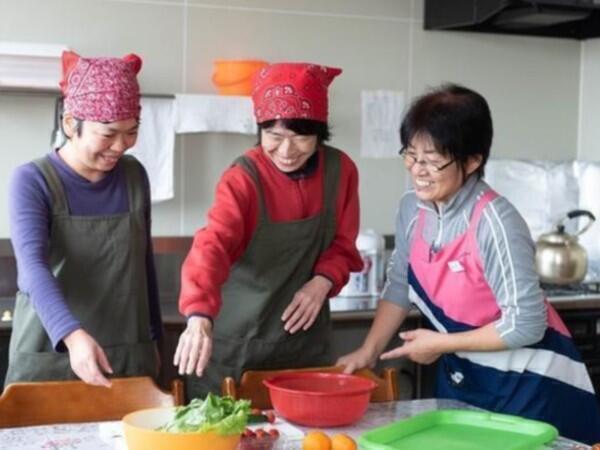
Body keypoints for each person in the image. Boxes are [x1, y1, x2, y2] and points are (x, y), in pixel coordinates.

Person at [337, 84, 600, 444]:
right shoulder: (412, 209)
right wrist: (367, 352)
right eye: (411, 155)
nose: (418, 170)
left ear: (473, 160)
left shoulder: (495, 221)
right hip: (467, 378)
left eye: (433, 159)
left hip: (532, 388)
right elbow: (400, 283)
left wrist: (441, 344)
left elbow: (525, 324)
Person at [174, 62, 363, 399]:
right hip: (238, 348)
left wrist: (322, 282)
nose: (287, 151)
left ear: (319, 134)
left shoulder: (341, 171)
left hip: (304, 344)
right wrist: (198, 314)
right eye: (274, 137)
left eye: (300, 137)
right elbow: (212, 245)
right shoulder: (244, 178)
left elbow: (343, 244)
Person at [5, 51, 161, 388]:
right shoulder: (32, 181)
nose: (121, 146)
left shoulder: (134, 176)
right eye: (108, 134)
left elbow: (143, 264)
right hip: (52, 352)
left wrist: (155, 339)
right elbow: (33, 269)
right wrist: (72, 336)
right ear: (70, 123)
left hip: (127, 356)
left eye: (132, 131)